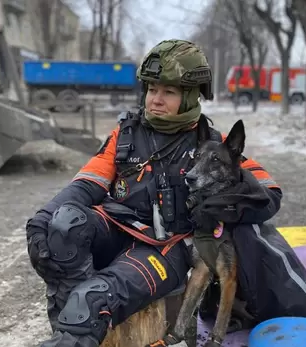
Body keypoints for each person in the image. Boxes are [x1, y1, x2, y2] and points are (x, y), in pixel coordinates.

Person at [25, 39, 283, 347]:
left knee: (90, 301)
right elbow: (86, 184)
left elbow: (269, 191)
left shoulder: (213, 144)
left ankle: (80, 321)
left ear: (190, 97)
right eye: (151, 89)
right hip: (116, 228)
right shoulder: (124, 136)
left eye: (169, 92)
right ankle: (70, 331)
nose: (155, 100)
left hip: (164, 248)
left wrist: (221, 207)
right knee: (64, 225)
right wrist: (45, 216)